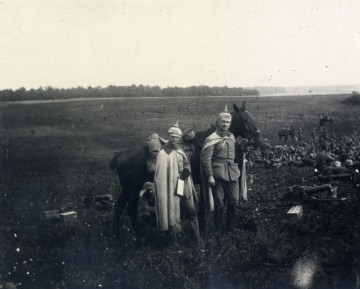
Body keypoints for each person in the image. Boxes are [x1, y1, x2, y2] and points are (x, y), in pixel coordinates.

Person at [154, 121, 202, 245]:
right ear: (168, 137)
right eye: (172, 137)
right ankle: (173, 239)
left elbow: (186, 163)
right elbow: (160, 174)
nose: (174, 139)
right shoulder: (163, 154)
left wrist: (187, 170)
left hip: (182, 185)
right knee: (172, 210)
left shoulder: (181, 151)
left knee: (191, 210)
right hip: (169, 187)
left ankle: (196, 237)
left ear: (180, 138)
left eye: (177, 137)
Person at [200, 105, 241, 233]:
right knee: (219, 204)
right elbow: (206, 159)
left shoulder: (232, 137)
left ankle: (229, 227)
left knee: (234, 202)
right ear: (218, 122)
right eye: (223, 121)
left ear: (230, 123)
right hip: (218, 174)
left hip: (233, 173)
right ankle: (218, 229)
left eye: (227, 122)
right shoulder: (212, 138)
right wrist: (210, 176)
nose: (225, 124)